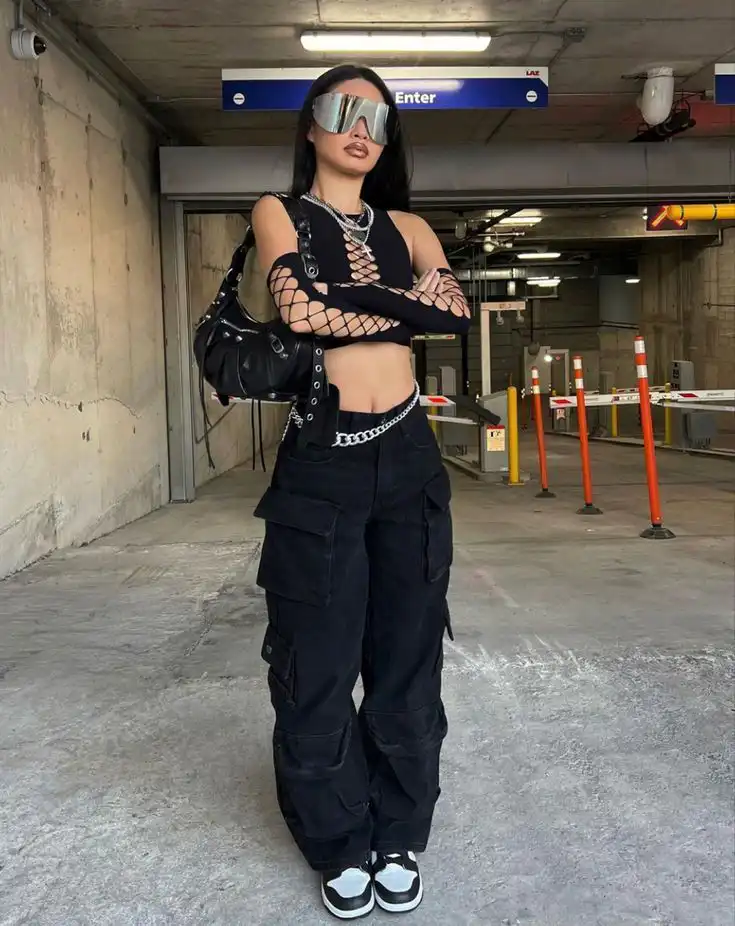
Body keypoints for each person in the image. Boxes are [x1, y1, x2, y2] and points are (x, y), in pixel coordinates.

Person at [251, 63, 471, 920]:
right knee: (315, 660)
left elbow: (451, 310)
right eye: (341, 112)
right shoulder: (278, 212)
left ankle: (397, 829)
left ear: (387, 141)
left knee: (408, 657)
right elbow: (298, 311)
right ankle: (336, 837)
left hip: (409, 457)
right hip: (324, 456)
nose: (358, 129)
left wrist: (365, 300)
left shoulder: (409, 225)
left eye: (375, 120)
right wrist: (401, 305)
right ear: (311, 125)